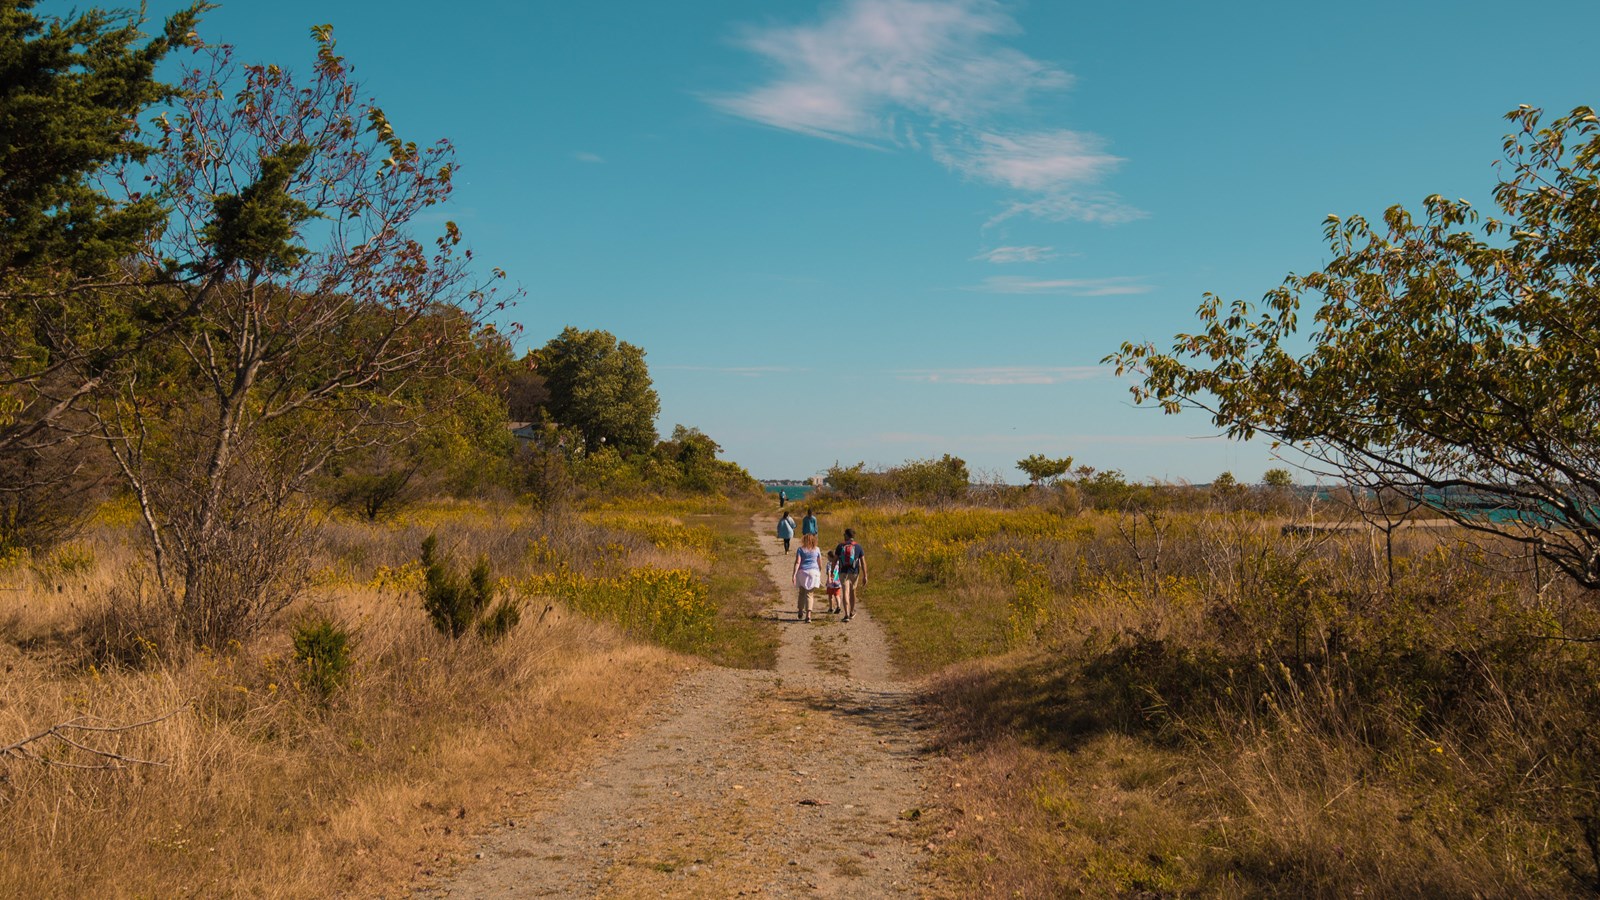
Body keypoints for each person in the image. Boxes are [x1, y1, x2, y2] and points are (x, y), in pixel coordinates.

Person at [834, 528, 867, 622]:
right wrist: (865, 575)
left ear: (847, 536)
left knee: (845, 592)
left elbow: (835, 560)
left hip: (843, 572)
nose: (843, 536)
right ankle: (852, 611)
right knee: (853, 591)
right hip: (854, 572)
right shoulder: (858, 547)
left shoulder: (840, 546)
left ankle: (846, 614)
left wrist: (833, 571)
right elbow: (863, 562)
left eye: (844, 534)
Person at [791, 533, 824, 623]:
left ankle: (800, 611)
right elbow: (820, 563)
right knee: (810, 594)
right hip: (814, 572)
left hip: (803, 572)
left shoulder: (800, 549)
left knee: (801, 592)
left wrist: (794, 574)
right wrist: (819, 572)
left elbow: (798, 562)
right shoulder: (817, 549)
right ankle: (808, 615)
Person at [825, 550, 842, 614]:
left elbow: (829, 571)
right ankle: (838, 607)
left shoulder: (829, 564)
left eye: (828, 557)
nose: (827, 558)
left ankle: (831, 608)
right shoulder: (838, 563)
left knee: (830, 595)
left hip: (831, 583)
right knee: (837, 595)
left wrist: (829, 578)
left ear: (830, 557)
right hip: (838, 582)